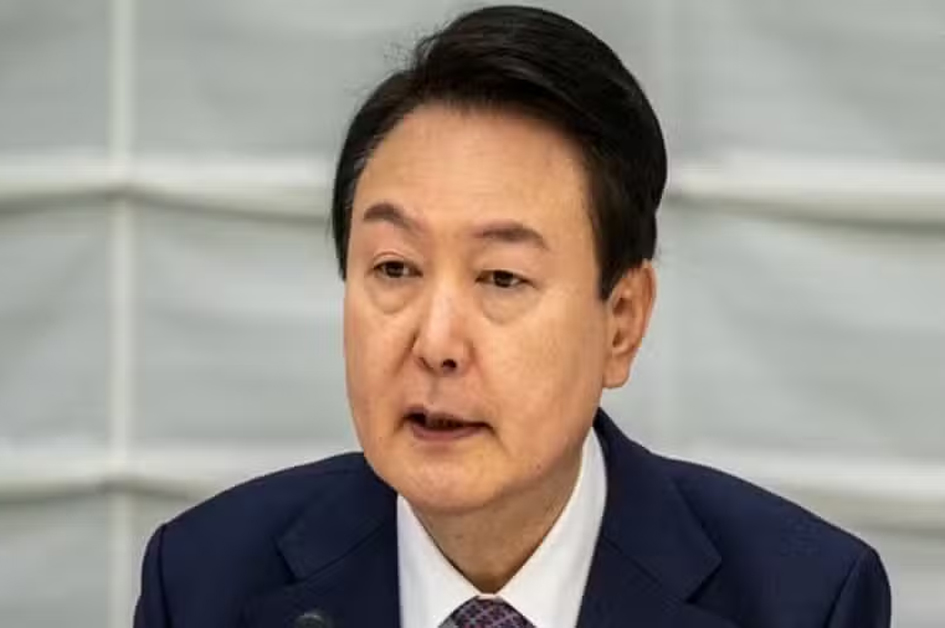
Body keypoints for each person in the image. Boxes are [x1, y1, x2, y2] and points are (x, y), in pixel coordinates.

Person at [134, 6, 891, 628]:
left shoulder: (803, 600)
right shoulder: (203, 583)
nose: (436, 343)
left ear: (621, 322)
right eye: (395, 268)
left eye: (501, 277)